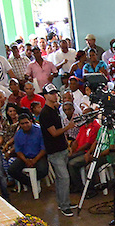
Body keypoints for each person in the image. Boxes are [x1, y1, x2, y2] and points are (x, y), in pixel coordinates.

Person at [38, 84, 75, 216]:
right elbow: (54, 133)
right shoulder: (45, 113)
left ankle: (63, 202)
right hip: (54, 151)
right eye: (51, 93)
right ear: (45, 96)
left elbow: (60, 131)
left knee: (61, 179)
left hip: (62, 148)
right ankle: (64, 206)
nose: (55, 95)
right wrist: (69, 127)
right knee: (64, 178)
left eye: (55, 92)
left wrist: (67, 145)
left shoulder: (55, 110)